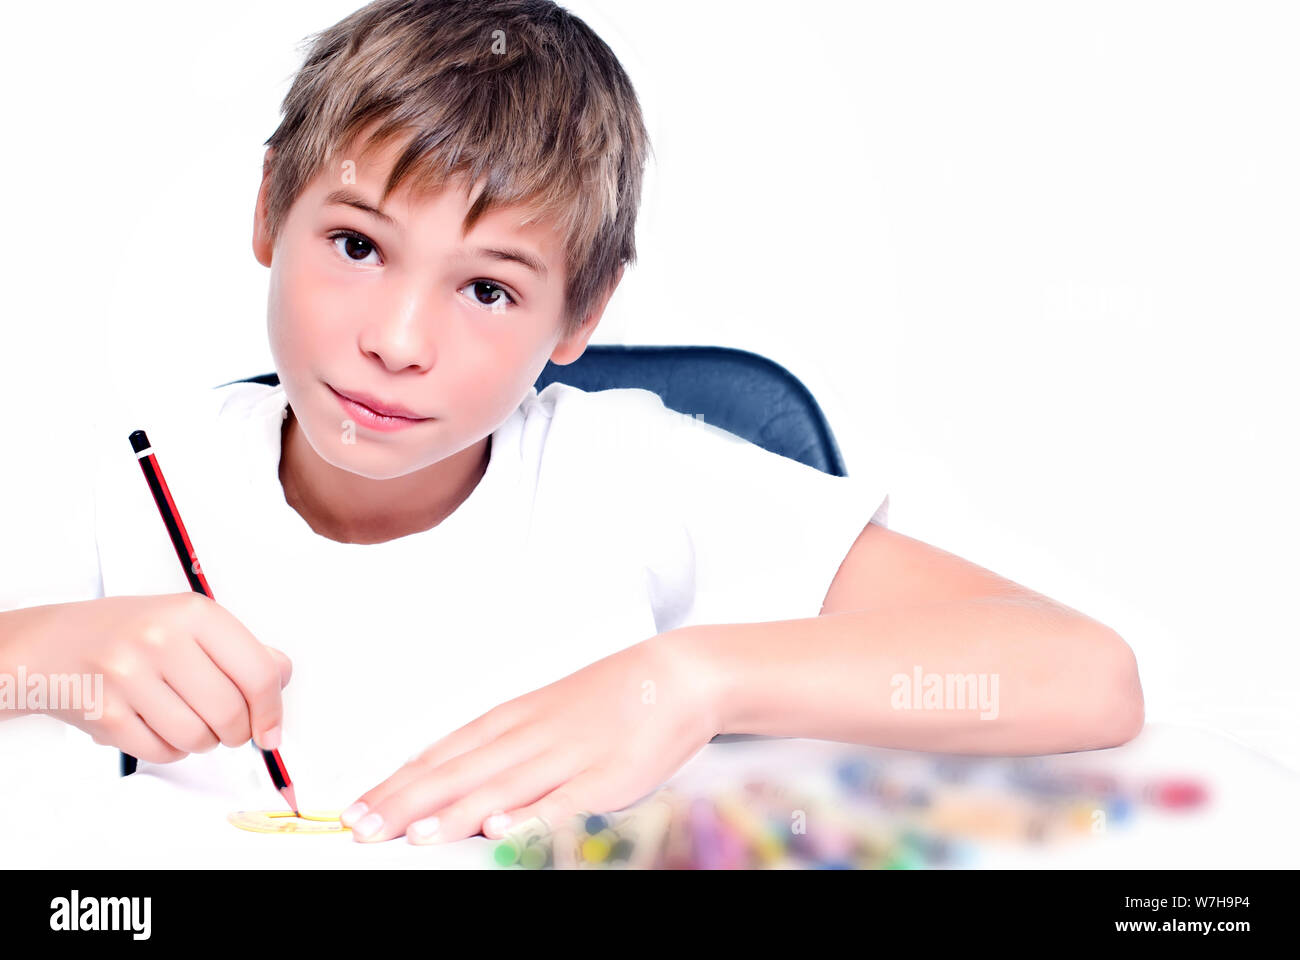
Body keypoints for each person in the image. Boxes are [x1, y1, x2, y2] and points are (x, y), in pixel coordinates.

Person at [0, 0, 1143, 848]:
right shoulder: (127, 480)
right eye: (357, 246)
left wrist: (691, 681)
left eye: (488, 288)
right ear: (268, 212)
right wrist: (33, 661)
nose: (397, 339)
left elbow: (1085, 678)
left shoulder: (629, 479)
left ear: (579, 313)